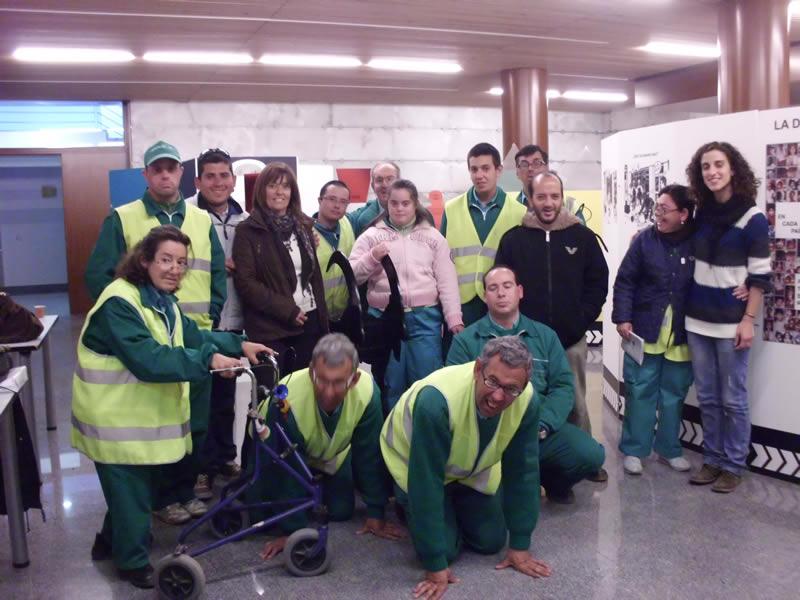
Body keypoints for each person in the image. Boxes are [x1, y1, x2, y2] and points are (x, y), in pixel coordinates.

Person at [72, 225, 270, 589]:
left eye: (181, 262)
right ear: (144, 260)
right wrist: (208, 363)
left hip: (130, 418)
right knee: (131, 493)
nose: (175, 269)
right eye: (166, 260)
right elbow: (149, 359)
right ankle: (131, 564)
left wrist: (239, 345)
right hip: (113, 420)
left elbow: (194, 336)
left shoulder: (161, 302)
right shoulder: (120, 302)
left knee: (132, 491)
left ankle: (107, 542)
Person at [84, 140, 228, 524]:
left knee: (192, 424)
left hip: (195, 338)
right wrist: (127, 324)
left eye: (171, 168)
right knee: (156, 426)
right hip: (148, 344)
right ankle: (158, 499)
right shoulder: (123, 218)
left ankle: (182, 490)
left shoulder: (200, 220)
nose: (165, 175)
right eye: (157, 169)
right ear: (146, 175)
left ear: (181, 173)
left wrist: (211, 312)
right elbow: (99, 276)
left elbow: (215, 273)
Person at [381, 336, 551, 600]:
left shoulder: (527, 401)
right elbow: (426, 482)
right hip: (414, 467)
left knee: (492, 541)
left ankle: (450, 509)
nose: (497, 396)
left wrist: (520, 543)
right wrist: (435, 563)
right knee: (444, 550)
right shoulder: (436, 401)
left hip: (469, 469)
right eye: (492, 381)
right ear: (477, 369)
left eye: (510, 388)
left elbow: (524, 472)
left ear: (524, 386)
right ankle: (407, 507)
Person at [447, 266, 605, 503]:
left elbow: (563, 386)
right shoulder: (465, 342)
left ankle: (550, 482)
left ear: (519, 292)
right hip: (487, 434)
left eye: (507, 286)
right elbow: (454, 391)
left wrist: (542, 424)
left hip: (537, 430)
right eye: (493, 288)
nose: (501, 293)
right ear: (485, 296)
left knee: (590, 454)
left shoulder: (545, 336)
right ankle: (511, 483)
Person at [495, 170, 609, 480]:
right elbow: (504, 283)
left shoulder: (582, 238)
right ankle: (527, 463)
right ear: (530, 199)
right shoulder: (514, 239)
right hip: (524, 342)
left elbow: (598, 283)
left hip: (570, 340)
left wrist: (580, 319)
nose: (548, 203)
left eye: (554, 196)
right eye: (541, 196)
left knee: (574, 400)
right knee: (523, 400)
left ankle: (584, 459)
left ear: (562, 196)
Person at [256, 334, 405, 561]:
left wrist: (376, 511)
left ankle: (315, 485)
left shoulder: (367, 391)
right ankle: (301, 500)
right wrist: (293, 531)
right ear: (310, 371)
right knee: (261, 517)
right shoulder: (286, 399)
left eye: (338, 382)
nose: (328, 391)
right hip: (272, 452)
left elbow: (369, 455)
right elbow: (286, 464)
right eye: (321, 380)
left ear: (354, 379)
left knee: (342, 512)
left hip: (329, 452)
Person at [684, 141, 771, 493]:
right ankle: (713, 460)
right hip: (697, 321)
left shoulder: (753, 218)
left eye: (718, 164)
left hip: (732, 324)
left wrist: (749, 318)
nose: (712, 172)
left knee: (733, 399)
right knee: (707, 397)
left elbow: (761, 275)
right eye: (706, 167)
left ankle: (734, 465)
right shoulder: (701, 214)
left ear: (733, 168)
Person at [349, 179, 463, 409]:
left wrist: (454, 318)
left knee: (427, 384)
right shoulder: (371, 236)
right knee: (390, 385)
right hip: (384, 320)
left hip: (425, 320)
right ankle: (392, 440)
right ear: (386, 205)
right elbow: (352, 276)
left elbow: (447, 281)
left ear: (415, 205)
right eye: (394, 203)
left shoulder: (433, 237)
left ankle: (422, 436)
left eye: (405, 203)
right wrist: (372, 257)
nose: (399, 208)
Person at [612, 185, 696, 475]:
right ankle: (635, 450)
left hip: (682, 334)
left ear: (684, 214)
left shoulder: (697, 241)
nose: (657, 214)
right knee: (641, 391)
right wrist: (622, 317)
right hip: (646, 330)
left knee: (674, 393)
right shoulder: (645, 241)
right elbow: (625, 281)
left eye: (664, 209)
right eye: (656, 208)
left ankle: (668, 449)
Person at [186, 148, 248, 500]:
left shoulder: (246, 218)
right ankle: (201, 470)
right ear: (198, 181)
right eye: (210, 176)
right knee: (202, 399)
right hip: (202, 321)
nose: (218, 182)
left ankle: (225, 457)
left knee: (227, 396)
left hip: (237, 319)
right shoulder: (188, 216)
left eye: (224, 175)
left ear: (233, 180)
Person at [233, 161, 329, 378]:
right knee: (275, 401)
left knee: (306, 395)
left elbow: (313, 278)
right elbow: (246, 283)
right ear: (261, 190)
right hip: (271, 329)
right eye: (273, 185)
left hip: (310, 323)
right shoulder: (248, 230)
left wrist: (323, 324)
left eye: (285, 186)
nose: (279, 192)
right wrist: (287, 310)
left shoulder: (304, 226)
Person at [441, 143, 526, 326]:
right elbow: (440, 263)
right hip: (462, 308)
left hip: (503, 305)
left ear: (499, 170)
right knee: (465, 355)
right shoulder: (451, 209)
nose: (479, 175)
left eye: (486, 168)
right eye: (474, 169)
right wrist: (449, 311)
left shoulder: (520, 213)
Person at [313, 180, 356, 322]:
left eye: (343, 202)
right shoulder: (305, 233)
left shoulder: (347, 225)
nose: (337, 206)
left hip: (345, 314)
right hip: (315, 317)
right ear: (320, 200)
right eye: (332, 199)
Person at [349, 161, 401, 236]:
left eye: (389, 179)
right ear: (373, 186)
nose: (384, 185)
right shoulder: (361, 218)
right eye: (379, 180)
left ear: (400, 183)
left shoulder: (417, 214)